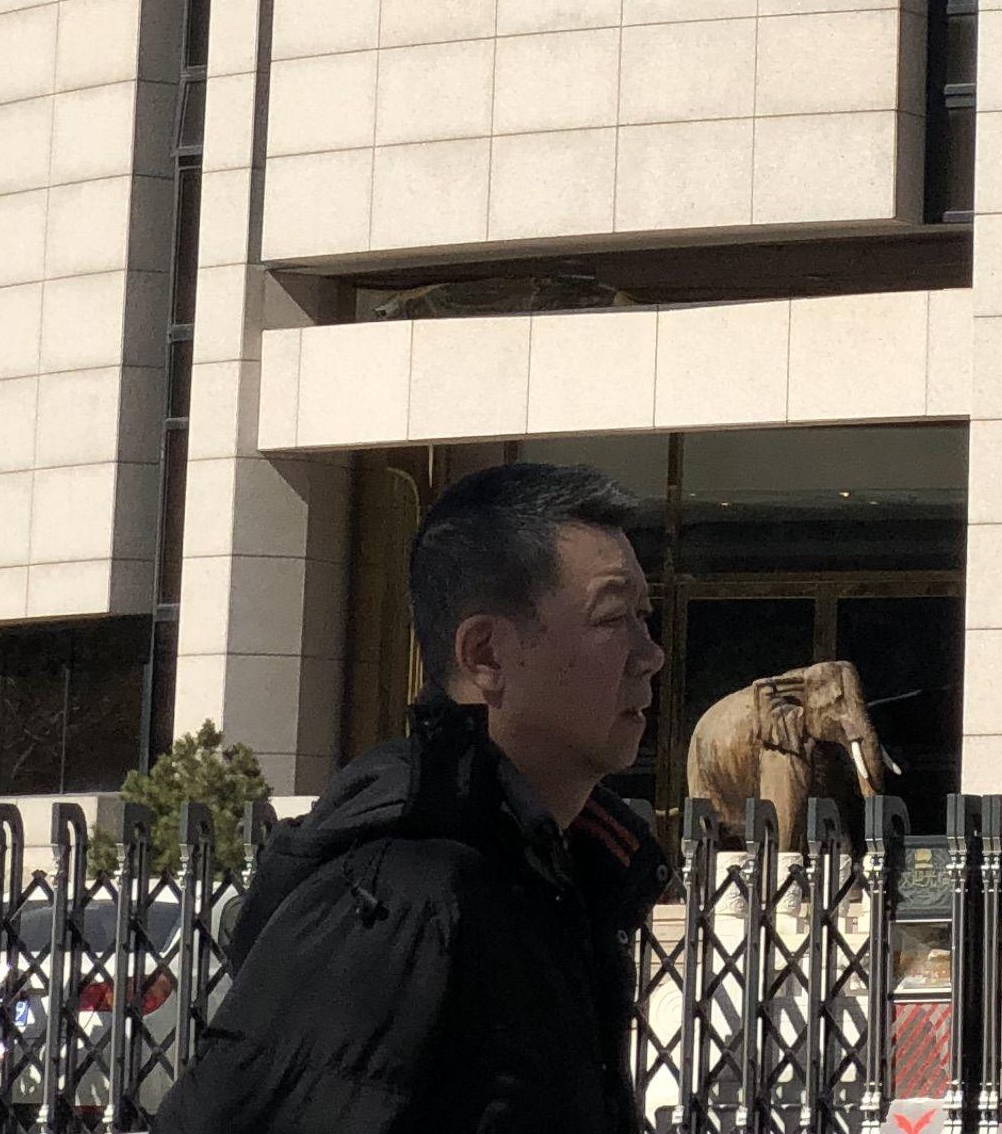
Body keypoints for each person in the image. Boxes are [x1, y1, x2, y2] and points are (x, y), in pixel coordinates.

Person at [160, 459, 670, 1134]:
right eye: (613, 617)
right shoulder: (401, 893)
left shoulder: (562, 877)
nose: (650, 654)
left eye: (644, 616)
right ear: (486, 654)